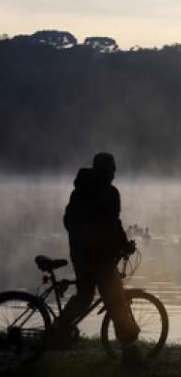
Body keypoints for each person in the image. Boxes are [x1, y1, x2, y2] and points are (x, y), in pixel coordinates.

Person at [50, 153, 143, 365]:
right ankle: (129, 351)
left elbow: (68, 221)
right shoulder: (109, 193)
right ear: (106, 171)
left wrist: (82, 240)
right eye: (112, 170)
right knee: (116, 301)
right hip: (100, 257)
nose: (114, 174)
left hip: (81, 255)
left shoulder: (79, 191)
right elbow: (113, 223)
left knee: (83, 297)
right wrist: (123, 245)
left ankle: (57, 330)